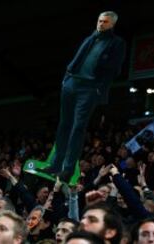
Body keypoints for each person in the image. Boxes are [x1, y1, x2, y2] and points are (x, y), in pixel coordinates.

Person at [41, 11, 126, 182]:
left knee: (78, 127)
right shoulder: (91, 37)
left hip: (89, 87)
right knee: (64, 125)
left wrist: (98, 87)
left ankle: (68, 169)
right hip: (72, 83)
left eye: (105, 22)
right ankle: (56, 165)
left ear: (112, 24)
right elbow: (78, 58)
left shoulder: (117, 43)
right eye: (100, 20)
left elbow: (115, 69)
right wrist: (67, 78)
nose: (101, 24)